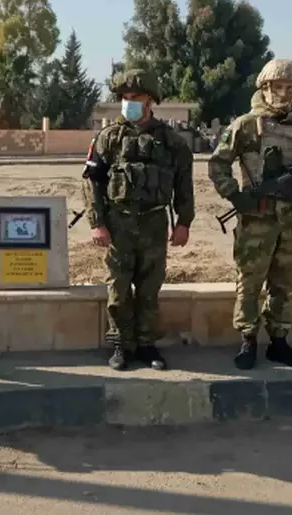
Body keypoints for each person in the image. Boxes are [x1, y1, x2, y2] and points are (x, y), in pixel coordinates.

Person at [207, 58, 292, 370]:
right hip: (257, 219)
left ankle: (279, 341)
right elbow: (218, 163)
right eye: (278, 86)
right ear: (264, 87)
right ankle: (247, 339)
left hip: (291, 219)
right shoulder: (246, 125)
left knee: (283, 284)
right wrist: (235, 195)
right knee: (250, 282)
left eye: (290, 87)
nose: (283, 93)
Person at [82, 68, 195, 371]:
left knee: (149, 290)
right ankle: (121, 345)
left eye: (136, 97)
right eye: (125, 98)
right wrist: (97, 222)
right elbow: (91, 182)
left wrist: (184, 223)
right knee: (118, 290)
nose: (129, 102)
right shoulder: (109, 138)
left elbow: (185, 184)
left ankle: (146, 345)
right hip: (118, 224)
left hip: (154, 223)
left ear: (150, 101)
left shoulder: (171, 141)